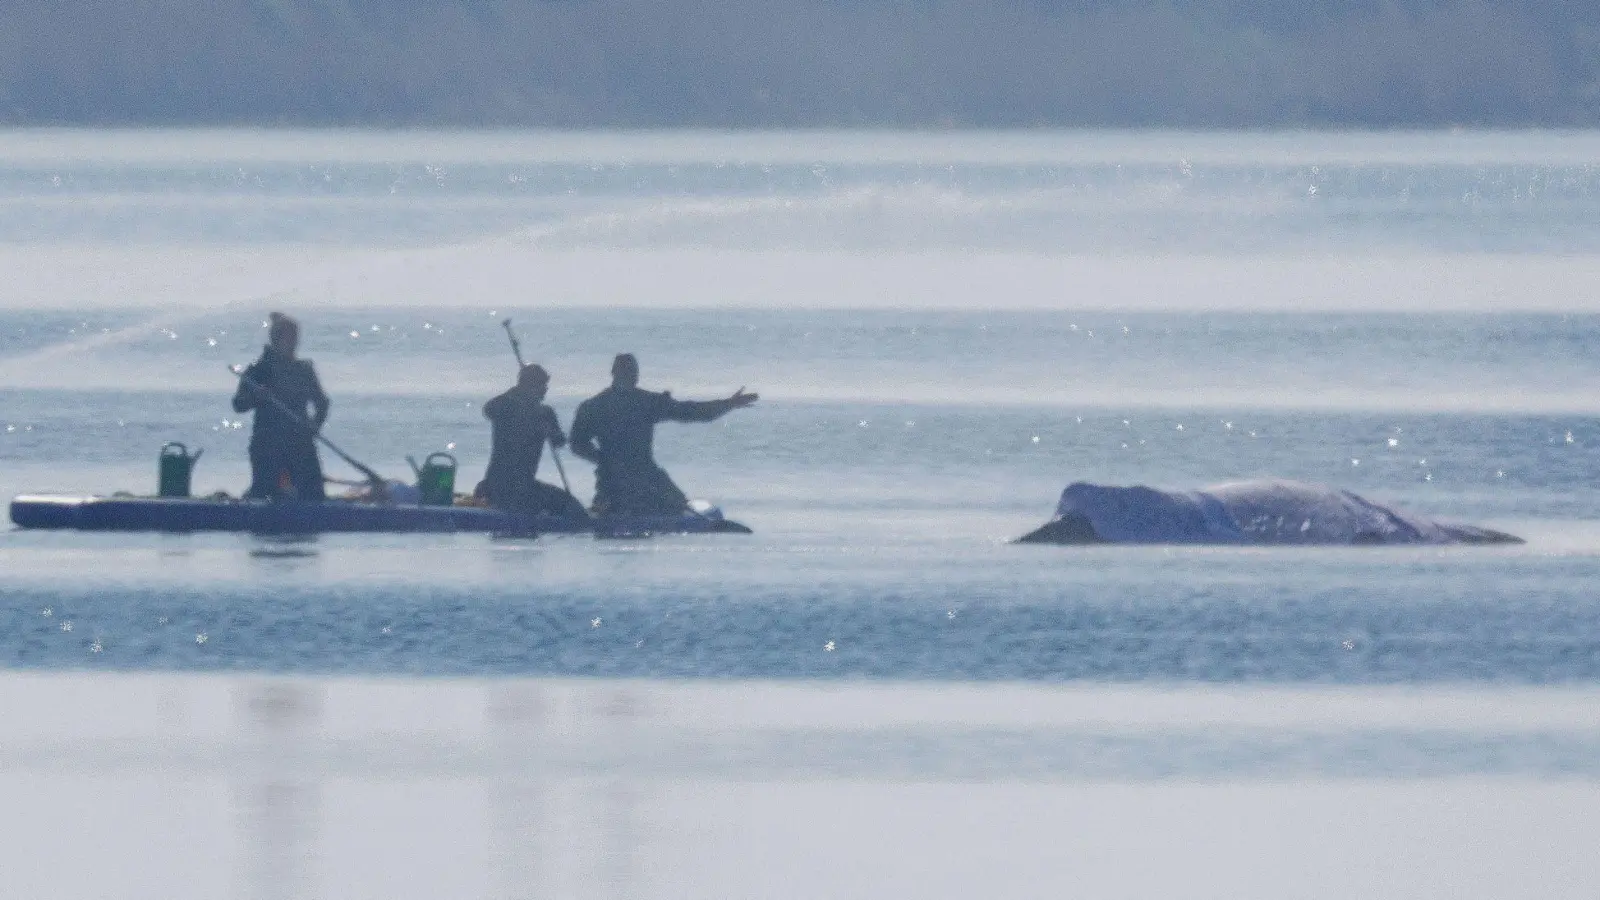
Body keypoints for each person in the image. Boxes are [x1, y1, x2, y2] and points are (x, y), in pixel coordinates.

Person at [569, 353, 758, 516]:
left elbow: (689, 411)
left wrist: (728, 404)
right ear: (615, 373)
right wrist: (605, 461)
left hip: (644, 476)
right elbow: (577, 444)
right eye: (627, 372)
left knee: (678, 505)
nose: (630, 376)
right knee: (674, 506)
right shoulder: (596, 407)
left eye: (632, 373)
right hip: (614, 481)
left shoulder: (644, 402)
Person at [232, 312, 330, 501]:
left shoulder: (303, 370)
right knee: (264, 493)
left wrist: (314, 425)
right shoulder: (260, 369)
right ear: (277, 339)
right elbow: (238, 404)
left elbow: (322, 403)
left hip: (301, 444)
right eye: (289, 338)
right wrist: (256, 397)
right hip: (268, 444)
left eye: (295, 338)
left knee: (314, 496)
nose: (294, 343)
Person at [475, 363, 587, 519]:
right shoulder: (506, 405)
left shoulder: (545, 413)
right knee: (571, 509)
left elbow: (559, 441)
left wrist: (550, 430)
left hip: (525, 484)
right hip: (499, 484)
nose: (545, 390)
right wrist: (519, 396)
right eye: (541, 386)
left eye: (545, 386)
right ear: (529, 386)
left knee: (572, 506)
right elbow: (489, 409)